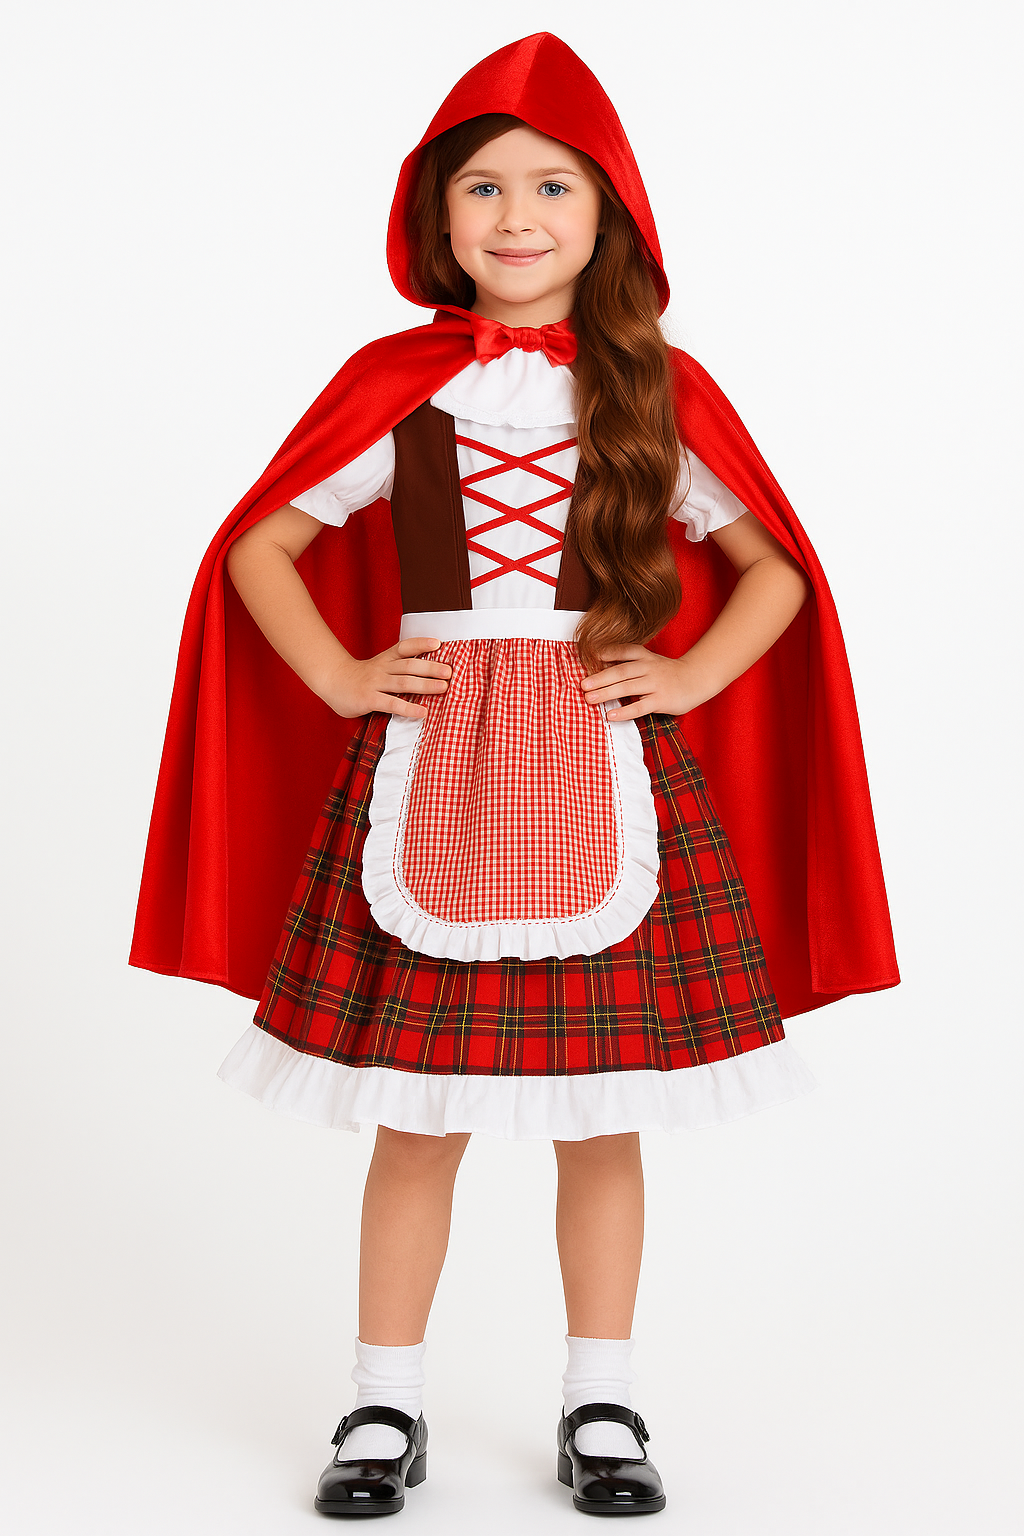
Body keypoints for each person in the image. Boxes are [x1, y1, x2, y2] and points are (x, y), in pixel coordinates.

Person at [131, 33, 898, 1520]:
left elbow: (773, 575)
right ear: (437, 214)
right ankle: (381, 1405)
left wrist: (684, 674)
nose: (516, 213)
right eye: (482, 186)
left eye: (551, 183)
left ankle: (600, 1400)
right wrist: (345, 677)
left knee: (604, 1118)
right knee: (415, 1122)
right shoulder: (398, 389)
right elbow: (259, 548)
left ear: (610, 211)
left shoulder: (649, 392)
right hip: (438, 783)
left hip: (603, 779)